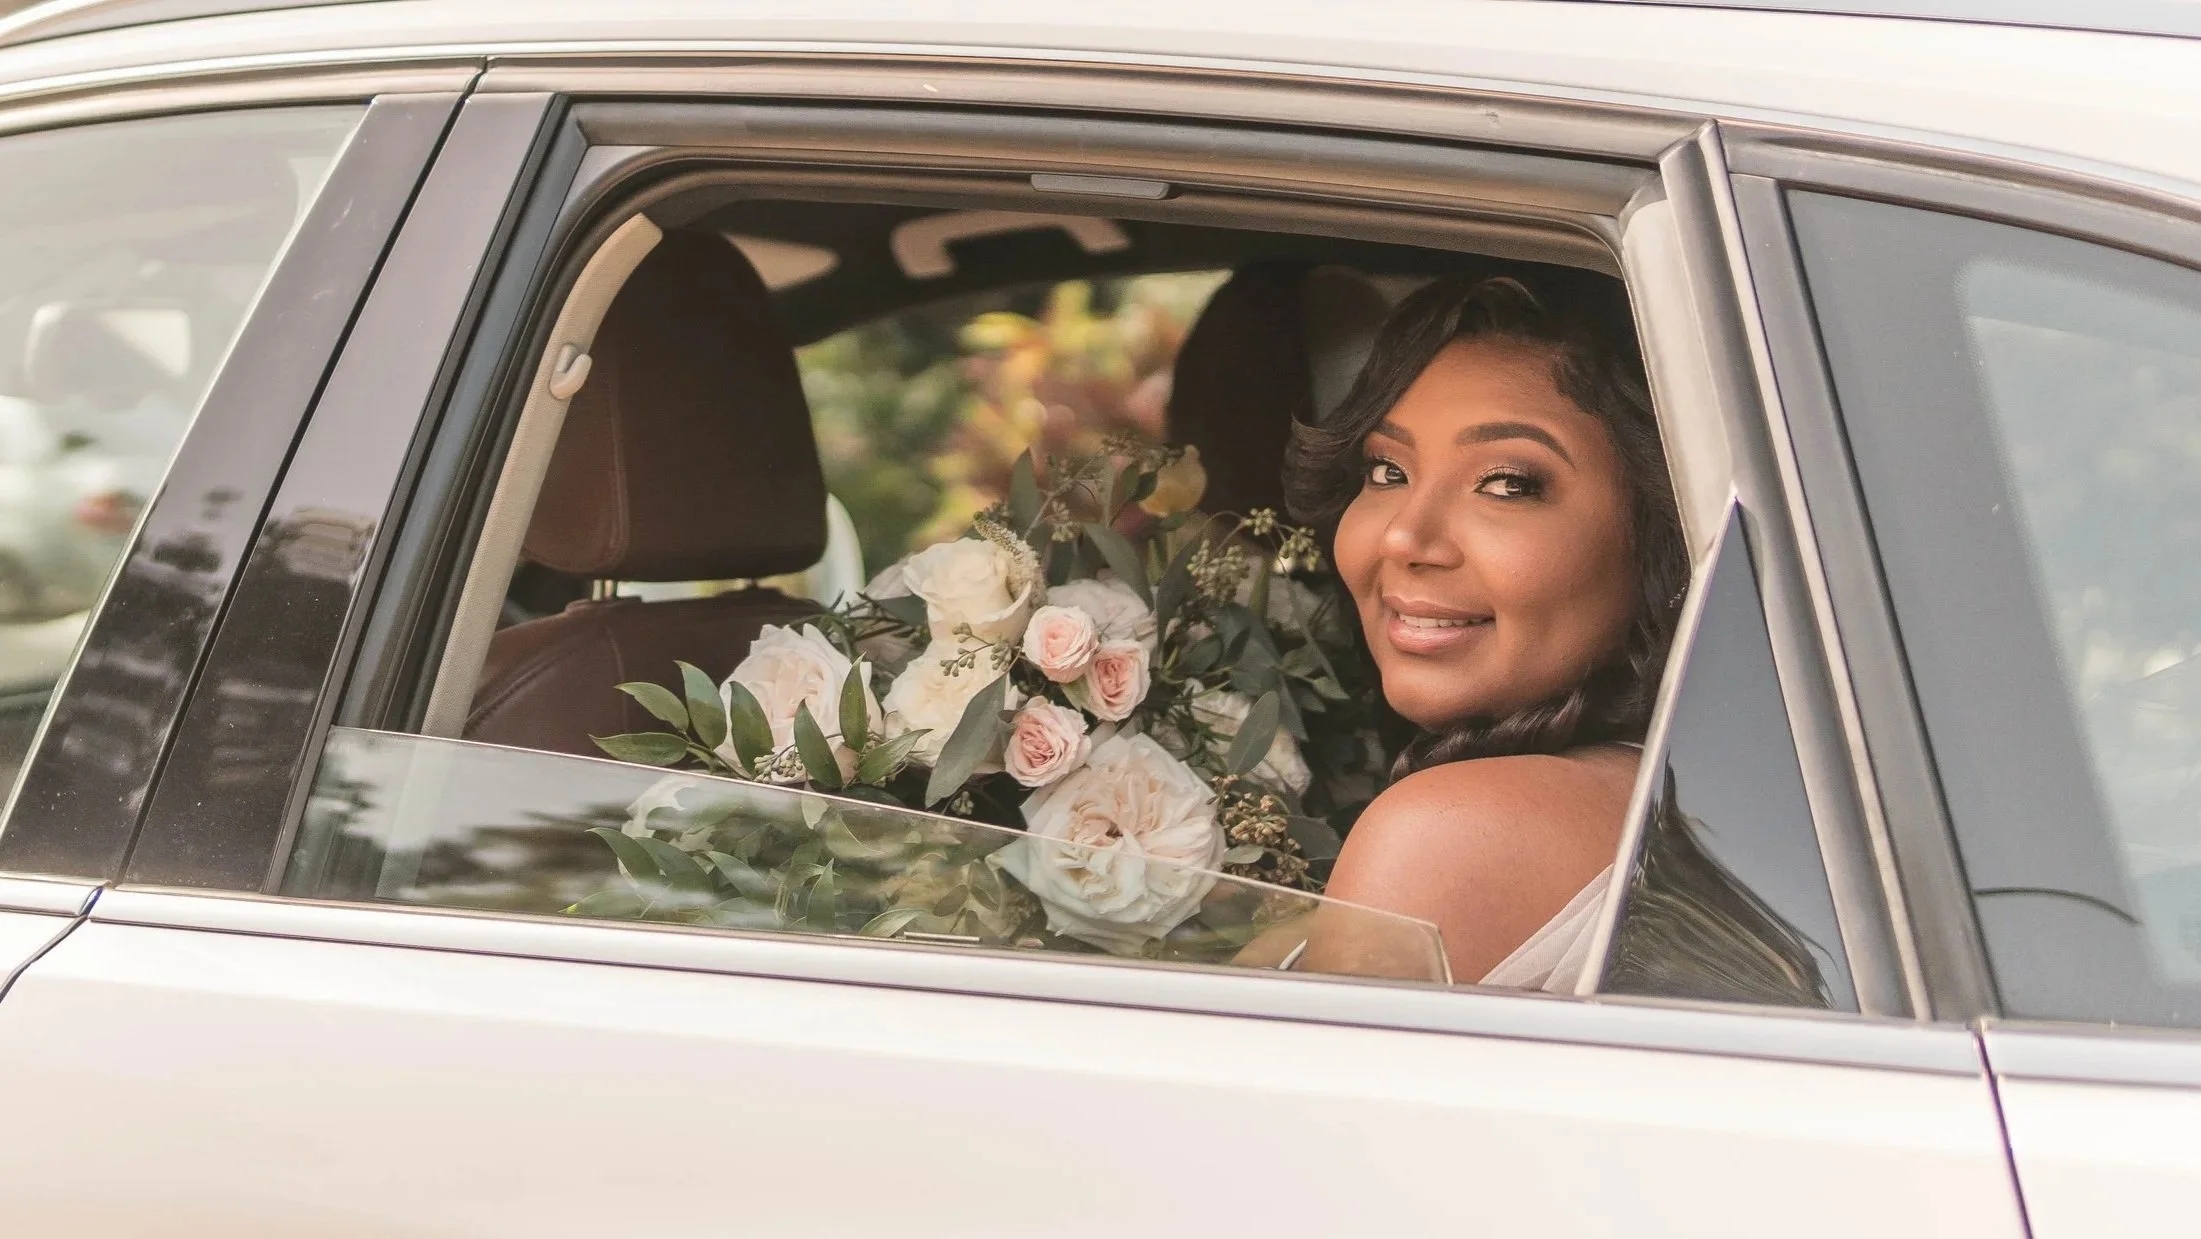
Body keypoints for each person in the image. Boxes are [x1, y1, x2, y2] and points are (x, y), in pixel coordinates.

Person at [1284, 271, 1819, 999]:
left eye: (1507, 483)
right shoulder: (1710, 799)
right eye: (1386, 469)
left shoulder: (1444, 836)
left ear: (1660, 533)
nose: (1406, 535)